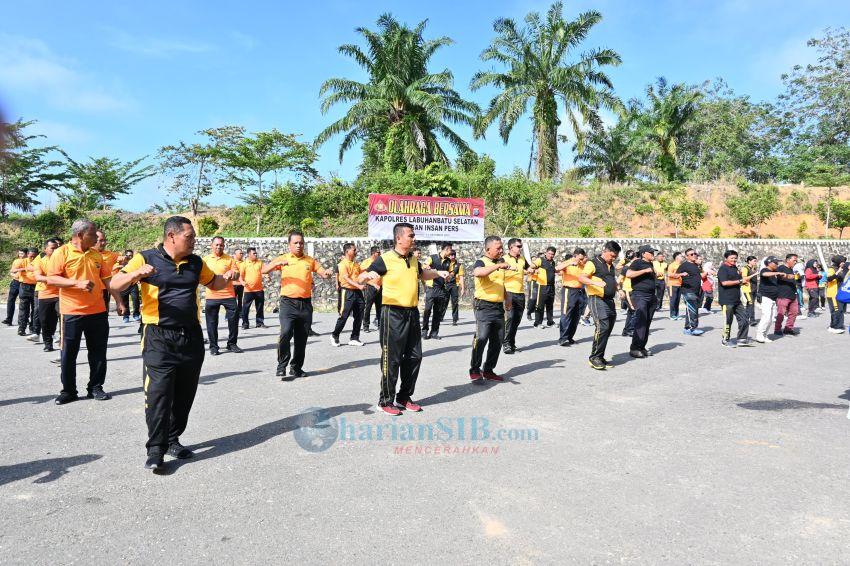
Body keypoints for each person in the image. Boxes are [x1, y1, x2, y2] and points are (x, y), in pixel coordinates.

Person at [111, 216, 240, 471]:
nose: (194, 241)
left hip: (191, 336)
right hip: (158, 336)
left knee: (185, 393)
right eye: (189, 237)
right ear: (171, 236)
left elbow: (213, 283)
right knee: (159, 393)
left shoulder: (195, 262)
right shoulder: (146, 257)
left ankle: (172, 438)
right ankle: (156, 449)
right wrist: (137, 274)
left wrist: (228, 276)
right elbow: (115, 284)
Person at [358, 223, 449, 416]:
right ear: (399, 238)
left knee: (415, 356)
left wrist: (438, 273)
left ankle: (404, 397)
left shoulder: (413, 259)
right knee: (392, 359)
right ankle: (385, 401)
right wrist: (368, 276)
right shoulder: (386, 259)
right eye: (411, 235)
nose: (414, 238)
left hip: (412, 313)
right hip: (392, 314)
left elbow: (422, 274)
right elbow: (361, 277)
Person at [47, 219, 125, 405]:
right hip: (71, 312)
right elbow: (52, 279)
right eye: (93, 234)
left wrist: (120, 301)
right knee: (68, 354)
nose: (97, 237)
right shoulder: (62, 253)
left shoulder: (96, 255)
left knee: (98, 352)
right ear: (80, 235)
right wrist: (77, 283)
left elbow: (108, 281)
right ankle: (68, 391)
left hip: (98, 311)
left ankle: (95, 387)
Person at [263, 230, 331, 378]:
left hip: (305, 304)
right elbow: (264, 270)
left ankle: (296, 368)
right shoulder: (283, 258)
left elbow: (322, 272)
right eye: (296, 243)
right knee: (285, 332)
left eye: (301, 242)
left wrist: (327, 273)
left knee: (302, 338)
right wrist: (277, 264)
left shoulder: (310, 260)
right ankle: (282, 365)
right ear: (289, 245)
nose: (299, 245)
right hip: (288, 303)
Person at [469, 236, 512, 382]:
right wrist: (498, 266)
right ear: (488, 249)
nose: (501, 251)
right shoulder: (481, 262)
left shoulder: (499, 263)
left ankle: (488, 370)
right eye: (498, 248)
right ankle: (474, 369)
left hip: (498, 307)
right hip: (483, 306)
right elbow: (478, 273)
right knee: (481, 338)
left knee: (497, 340)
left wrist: (507, 298)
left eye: (501, 247)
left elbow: (500, 283)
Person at [578, 240, 621, 370]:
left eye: (615, 257)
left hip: (609, 300)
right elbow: (581, 278)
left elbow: (612, 280)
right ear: (605, 251)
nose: (613, 259)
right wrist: (595, 283)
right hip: (596, 299)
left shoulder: (611, 266)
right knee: (602, 326)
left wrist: (619, 290)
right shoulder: (593, 263)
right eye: (612, 256)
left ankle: (600, 356)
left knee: (608, 327)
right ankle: (594, 357)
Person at [202, 236, 242, 355]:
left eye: (221, 245)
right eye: (217, 244)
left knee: (233, 321)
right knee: (211, 323)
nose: (219, 247)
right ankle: (214, 347)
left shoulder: (230, 259)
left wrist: (232, 273)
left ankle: (232, 344)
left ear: (224, 246)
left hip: (228, 295)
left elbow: (236, 275)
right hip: (211, 296)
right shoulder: (205, 260)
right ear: (212, 245)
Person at [716, 250, 756, 347]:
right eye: (732, 258)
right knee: (728, 321)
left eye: (735, 258)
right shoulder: (723, 269)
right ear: (726, 258)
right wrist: (740, 280)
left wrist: (743, 281)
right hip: (727, 300)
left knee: (745, 318)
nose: (734, 260)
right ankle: (725, 340)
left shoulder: (735, 268)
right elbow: (724, 283)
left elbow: (738, 281)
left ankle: (742, 339)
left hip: (737, 299)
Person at [625, 245, 659, 358]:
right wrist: (645, 271)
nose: (653, 254)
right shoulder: (637, 262)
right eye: (651, 252)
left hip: (650, 296)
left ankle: (641, 346)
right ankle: (634, 348)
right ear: (644, 253)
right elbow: (628, 274)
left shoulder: (650, 264)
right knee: (641, 322)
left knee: (647, 323)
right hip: (640, 295)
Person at [330, 242, 365, 347]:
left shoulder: (356, 264)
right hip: (347, 291)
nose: (356, 251)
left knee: (359, 315)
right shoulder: (342, 264)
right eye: (354, 250)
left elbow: (361, 276)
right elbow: (346, 278)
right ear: (347, 251)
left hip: (357, 293)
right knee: (344, 316)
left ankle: (354, 338)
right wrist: (359, 286)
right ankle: (335, 335)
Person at [502, 238, 533, 354]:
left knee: (516, 320)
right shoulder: (503, 259)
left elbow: (528, 268)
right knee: (509, 319)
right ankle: (506, 344)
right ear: (511, 247)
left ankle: (511, 342)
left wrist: (531, 270)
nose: (520, 248)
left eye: (521, 246)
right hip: (508, 293)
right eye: (518, 246)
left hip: (520, 293)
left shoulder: (522, 259)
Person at [31, 239, 60, 351]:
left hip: (60, 294)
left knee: (62, 318)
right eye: (52, 248)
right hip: (45, 294)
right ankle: (48, 344)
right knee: (46, 321)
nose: (55, 250)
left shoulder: (62, 260)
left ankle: (62, 342)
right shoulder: (40, 261)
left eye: (57, 247)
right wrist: (55, 279)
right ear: (45, 249)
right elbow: (38, 277)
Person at [422, 243, 453, 340]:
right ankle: (424, 331)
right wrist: (427, 267)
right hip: (431, 288)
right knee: (427, 310)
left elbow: (451, 273)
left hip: (441, 288)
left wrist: (449, 276)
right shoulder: (433, 257)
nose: (451, 252)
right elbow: (424, 265)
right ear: (446, 249)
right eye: (450, 250)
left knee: (437, 312)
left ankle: (434, 332)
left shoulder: (449, 261)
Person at [558, 248, 587, 347]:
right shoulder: (568, 263)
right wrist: (570, 263)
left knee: (576, 315)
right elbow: (557, 268)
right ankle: (563, 338)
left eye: (582, 259)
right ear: (575, 256)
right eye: (580, 258)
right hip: (569, 290)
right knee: (566, 314)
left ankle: (570, 337)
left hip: (580, 291)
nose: (581, 260)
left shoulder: (582, 265)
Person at [755, 257, 785, 343]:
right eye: (775, 263)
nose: (777, 264)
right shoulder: (764, 270)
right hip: (765, 297)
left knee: (771, 318)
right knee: (766, 317)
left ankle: (764, 335)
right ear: (769, 263)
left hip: (773, 298)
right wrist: (777, 272)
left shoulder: (773, 273)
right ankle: (759, 335)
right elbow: (764, 274)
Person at [676, 248, 704, 336]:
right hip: (687, 291)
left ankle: (687, 328)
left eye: (695, 253)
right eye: (691, 254)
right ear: (686, 256)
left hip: (696, 291)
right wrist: (681, 274)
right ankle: (692, 328)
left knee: (691, 309)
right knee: (693, 309)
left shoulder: (695, 265)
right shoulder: (684, 265)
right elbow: (673, 275)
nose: (694, 255)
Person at [239, 247, 266, 329]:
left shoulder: (260, 262)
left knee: (260, 307)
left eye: (256, 253)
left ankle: (260, 323)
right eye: (254, 253)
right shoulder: (244, 264)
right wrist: (242, 282)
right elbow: (240, 276)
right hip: (248, 290)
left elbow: (264, 272)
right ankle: (245, 324)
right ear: (249, 254)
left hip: (259, 289)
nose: (256, 254)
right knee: (245, 308)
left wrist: (267, 276)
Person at [93, 230, 119, 312]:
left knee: (103, 313)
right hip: (89, 288)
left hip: (104, 288)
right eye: (100, 240)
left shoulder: (111, 255)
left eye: (104, 240)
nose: (104, 243)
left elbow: (125, 261)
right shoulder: (85, 254)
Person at [775, 254, 801, 336]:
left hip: (793, 294)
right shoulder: (781, 268)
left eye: (796, 260)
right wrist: (787, 277)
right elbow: (778, 276)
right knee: (781, 314)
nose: (795, 262)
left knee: (794, 312)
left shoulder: (792, 269)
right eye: (794, 260)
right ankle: (777, 329)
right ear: (787, 260)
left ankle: (788, 328)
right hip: (783, 295)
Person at [532, 246, 557, 328]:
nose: (551, 255)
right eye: (549, 253)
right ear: (546, 253)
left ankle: (550, 322)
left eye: (552, 254)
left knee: (550, 305)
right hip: (542, 286)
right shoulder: (540, 260)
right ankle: (537, 323)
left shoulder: (553, 262)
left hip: (551, 286)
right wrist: (535, 270)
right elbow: (531, 266)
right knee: (540, 305)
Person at [360, 246, 382, 333]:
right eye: (378, 252)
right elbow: (362, 277)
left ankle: (380, 325)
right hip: (370, 287)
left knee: (380, 307)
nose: (380, 254)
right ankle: (366, 326)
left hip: (380, 287)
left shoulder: (380, 262)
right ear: (373, 253)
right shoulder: (366, 262)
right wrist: (373, 284)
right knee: (367, 307)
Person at [16, 247, 38, 337]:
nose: (32, 258)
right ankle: (21, 328)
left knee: (35, 309)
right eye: (30, 256)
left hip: (36, 287)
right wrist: (22, 269)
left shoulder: (39, 261)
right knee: (24, 309)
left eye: (34, 256)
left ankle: (33, 328)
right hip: (25, 286)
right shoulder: (22, 261)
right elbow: (13, 270)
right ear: (27, 254)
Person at [2, 248, 27, 326]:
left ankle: (23, 321)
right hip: (15, 282)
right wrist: (14, 275)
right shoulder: (16, 261)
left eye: (22, 254)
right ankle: (9, 319)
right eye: (19, 253)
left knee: (23, 303)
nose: (20, 255)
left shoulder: (28, 261)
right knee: (10, 301)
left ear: (26, 254)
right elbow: (11, 271)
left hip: (24, 283)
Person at [826, 255, 848, 334]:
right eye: (842, 262)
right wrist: (837, 272)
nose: (843, 263)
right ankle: (834, 326)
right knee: (836, 310)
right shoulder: (831, 269)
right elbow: (829, 279)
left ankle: (838, 325)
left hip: (840, 293)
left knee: (840, 310)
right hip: (833, 293)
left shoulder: (842, 269)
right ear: (838, 261)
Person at [445, 250, 465, 326]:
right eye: (451, 255)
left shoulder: (459, 265)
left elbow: (461, 277)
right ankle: (440, 317)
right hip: (445, 284)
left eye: (454, 255)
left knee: (455, 303)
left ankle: (454, 320)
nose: (453, 256)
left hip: (454, 285)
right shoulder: (445, 263)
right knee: (444, 302)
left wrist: (462, 288)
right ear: (448, 256)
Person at [619, 250, 636, 338]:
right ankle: (630, 330)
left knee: (631, 312)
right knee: (634, 311)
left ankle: (626, 330)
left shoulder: (635, 267)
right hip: (628, 291)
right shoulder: (626, 267)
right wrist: (620, 290)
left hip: (632, 291)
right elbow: (618, 280)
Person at [740, 256, 759, 326]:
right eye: (754, 261)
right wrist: (754, 274)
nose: (755, 262)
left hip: (754, 288)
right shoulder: (745, 268)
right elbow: (744, 278)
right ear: (749, 261)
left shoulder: (754, 268)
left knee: (750, 304)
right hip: (747, 289)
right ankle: (752, 320)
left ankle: (746, 319)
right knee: (751, 304)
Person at [667, 252, 685, 320]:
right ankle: (672, 315)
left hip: (679, 285)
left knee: (677, 300)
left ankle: (676, 314)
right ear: (677, 257)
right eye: (681, 256)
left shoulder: (681, 265)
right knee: (673, 300)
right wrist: (680, 274)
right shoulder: (672, 265)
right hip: (672, 285)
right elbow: (669, 274)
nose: (682, 257)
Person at [233, 248, 245, 316]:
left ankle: (240, 313)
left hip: (242, 284)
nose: (242, 254)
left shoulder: (244, 263)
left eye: (242, 253)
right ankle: (230, 314)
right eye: (240, 253)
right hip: (233, 284)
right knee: (232, 300)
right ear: (235, 254)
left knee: (240, 300)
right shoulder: (232, 262)